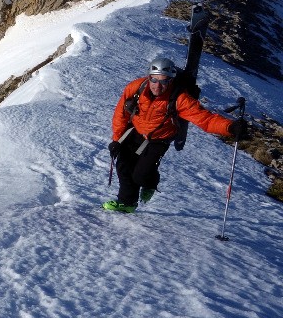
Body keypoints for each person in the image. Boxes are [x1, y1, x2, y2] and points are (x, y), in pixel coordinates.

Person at [104, 56, 248, 213]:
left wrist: (230, 127)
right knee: (123, 164)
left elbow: (205, 119)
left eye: (163, 81)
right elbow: (121, 113)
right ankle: (127, 202)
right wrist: (117, 139)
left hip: (159, 139)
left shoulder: (179, 99)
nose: (157, 86)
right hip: (136, 131)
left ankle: (150, 182)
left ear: (171, 80)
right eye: (154, 80)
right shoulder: (137, 87)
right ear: (149, 77)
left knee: (140, 175)